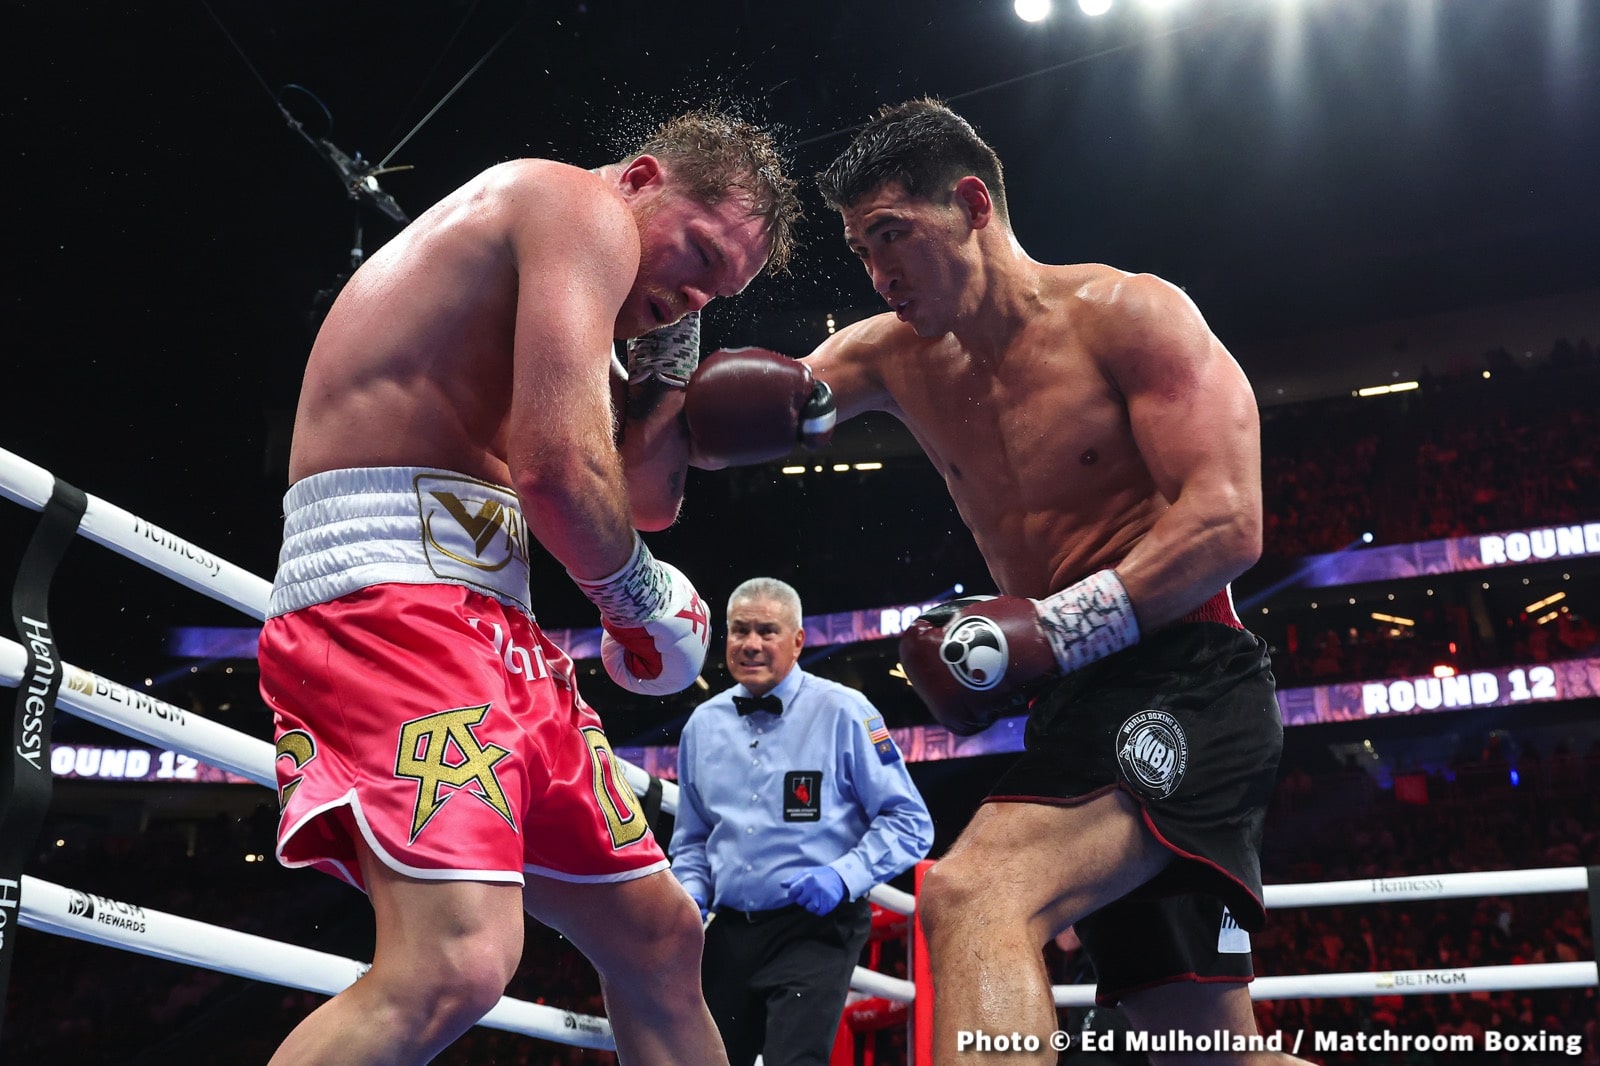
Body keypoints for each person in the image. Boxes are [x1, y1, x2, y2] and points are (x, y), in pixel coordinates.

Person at [680, 100, 1312, 1064]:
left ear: (973, 203)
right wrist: (654, 349)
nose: (880, 272)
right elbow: (719, 432)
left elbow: (1229, 523)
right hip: (1072, 704)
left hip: (1188, 679)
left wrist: (1058, 629)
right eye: (861, 249)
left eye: (895, 234)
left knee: (975, 893)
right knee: (1196, 1051)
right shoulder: (885, 354)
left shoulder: (1129, 314)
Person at [256, 109, 801, 1066]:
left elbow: (637, 498)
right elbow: (557, 476)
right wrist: (634, 597)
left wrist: (671, 366)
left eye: (720, 289)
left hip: (484, 622)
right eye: (700, 253)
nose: (692, 293)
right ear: (640, 178)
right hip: (386, 600)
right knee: (455, 963)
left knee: (660, 939)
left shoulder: (599, 284)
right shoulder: (572, 201)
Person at [669, 577, 933, 1066]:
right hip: (729, 928)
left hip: (815, 927)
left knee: (796, 1059)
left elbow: (910, 821)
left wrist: (843, 875)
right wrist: (689, 893)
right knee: (704, 1059)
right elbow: (692, 838)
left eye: (767, 631)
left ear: (797, 641)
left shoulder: (844, 712)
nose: (750, 644)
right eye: (739, 630)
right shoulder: (702, 726)